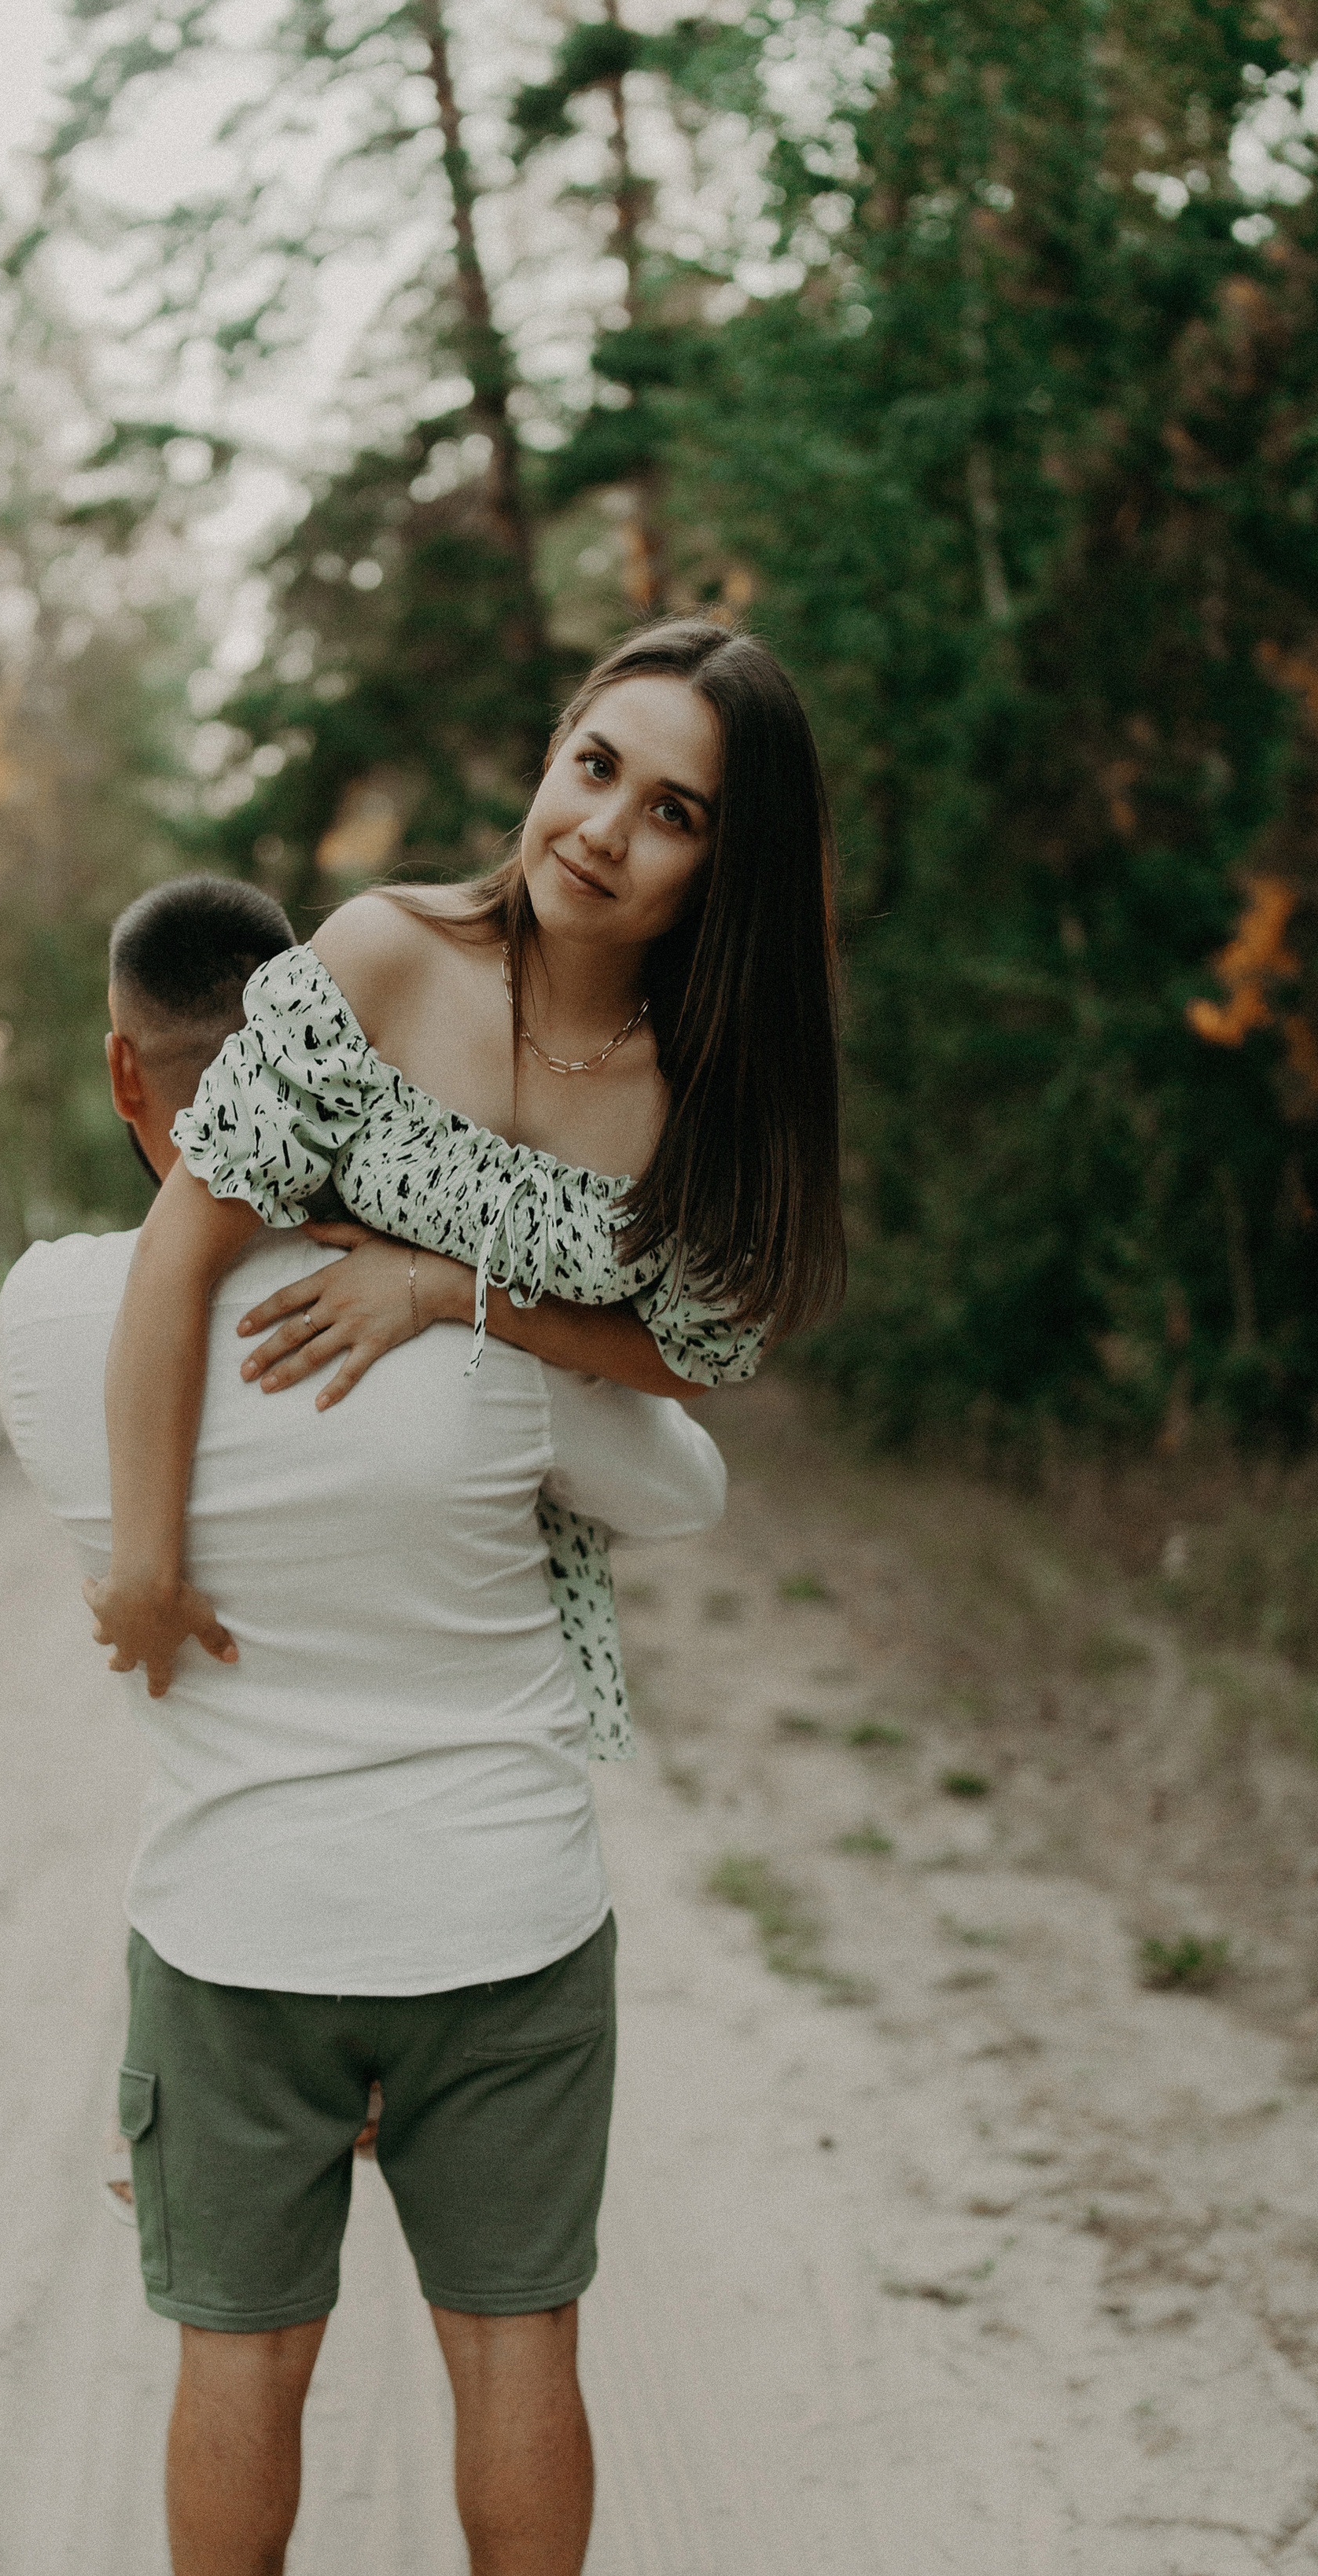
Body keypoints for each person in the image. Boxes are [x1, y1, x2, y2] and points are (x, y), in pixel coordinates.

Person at [0, 878, 729, 2576]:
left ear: (131, 1078)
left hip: (238, 1922)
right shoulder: (455, 1317)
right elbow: (683, 1490)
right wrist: (459, 1289)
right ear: (350, 1058)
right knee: (521, 2353)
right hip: (503, 1905)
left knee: (244, 2363)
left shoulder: (56, 1319)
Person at [84, 617, 845, 1764]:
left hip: (516, 1619)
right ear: (553, 755)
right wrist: (145, 1567)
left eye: (672, 813)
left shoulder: (699, 1094)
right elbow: (177, 1245)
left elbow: (690, 1353)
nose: (603, 832)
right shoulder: (384, 957)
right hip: (307, 1570)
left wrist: (448, 1289)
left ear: (726, 870)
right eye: (596, 766)